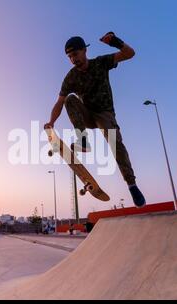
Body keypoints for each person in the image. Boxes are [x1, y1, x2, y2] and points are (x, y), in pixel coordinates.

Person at [45, 32, 146, 207]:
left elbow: (130, 54)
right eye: (70, 57)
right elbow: (59, 102)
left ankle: (131, 184)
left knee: (115, 143)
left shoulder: (101, 63)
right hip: (87, 114)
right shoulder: (71, 77)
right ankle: (83, 140)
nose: (73, 59)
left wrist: (115, 42)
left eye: (75, 54)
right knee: (70, 100)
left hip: (105, 114)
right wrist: (51, 122)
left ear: (84, 51)